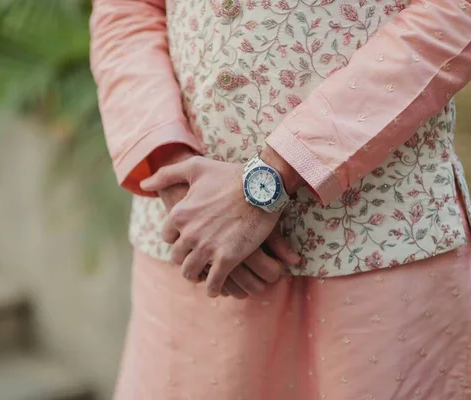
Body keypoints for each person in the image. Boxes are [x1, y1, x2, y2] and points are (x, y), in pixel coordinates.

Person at [90, 0, 471, 398]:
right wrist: (173, 172)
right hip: (196, 248)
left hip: (380, 242)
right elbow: (126, 11)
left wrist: (274, 174)